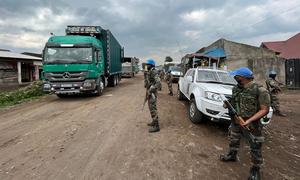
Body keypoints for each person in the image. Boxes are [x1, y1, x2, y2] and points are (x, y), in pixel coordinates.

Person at [219, 67, 270, 180]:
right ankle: (232, 155)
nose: (234, 78)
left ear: (243, 77)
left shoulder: (260, 91)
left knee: (255, 146)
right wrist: (227, 104)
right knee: (233, 138)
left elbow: (264, 109)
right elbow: (234, 100)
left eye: (236, 76)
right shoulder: (236, 88)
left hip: (252, 124)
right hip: (236, 121)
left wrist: (249, 120)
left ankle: (255, 170)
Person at [144, 59, 161, 133]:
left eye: (148, 65)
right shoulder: (149, 72)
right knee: (150, 107)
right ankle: (153, 122)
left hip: (152, 93)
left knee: (153, 108)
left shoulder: (154, 72)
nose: (146, 66)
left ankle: (156, 126)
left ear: (151, 65)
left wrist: (152, 88)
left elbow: (158, 83)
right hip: (149, 92)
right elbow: (147, 82)